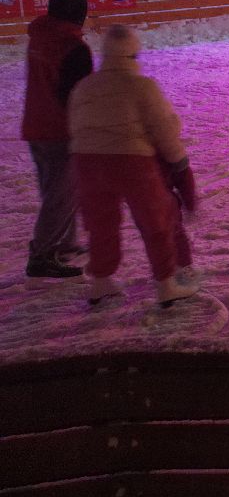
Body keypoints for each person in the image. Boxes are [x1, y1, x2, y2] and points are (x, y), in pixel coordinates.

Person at [69, 25, 200, 307]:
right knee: (156, 219)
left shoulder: (85, 86)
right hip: (132, 161)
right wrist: (178, 161)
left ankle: (101, 281)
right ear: (134, 54)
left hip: (87, 161)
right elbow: (163, 129)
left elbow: (74, 125)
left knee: (101, 223)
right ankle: (166, 283)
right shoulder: (143, 87)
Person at [20, 0, 93, 279]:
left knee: (55, 190)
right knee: (61, 195)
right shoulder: (72, 47)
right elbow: (77, 96)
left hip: (34, 125)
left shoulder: (39, 36)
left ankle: (64, 242)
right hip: (59, 130)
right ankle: (42, 256)